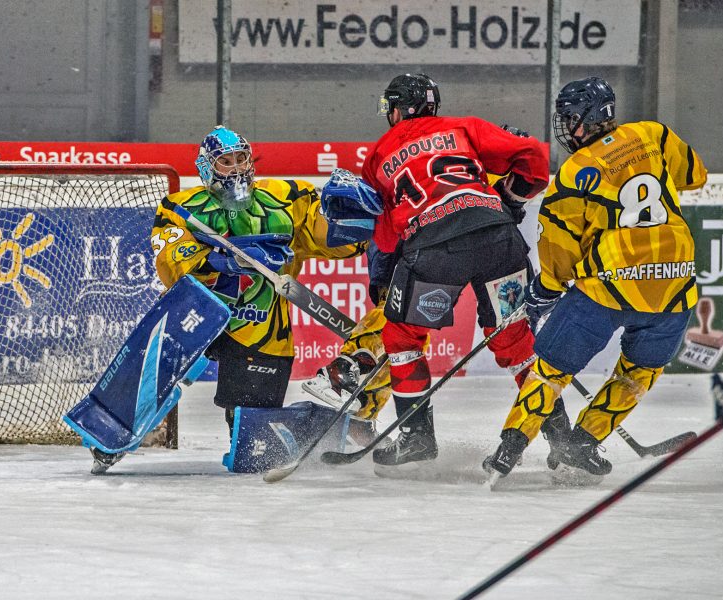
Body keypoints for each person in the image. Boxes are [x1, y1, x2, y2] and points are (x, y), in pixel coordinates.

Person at [484, 76, 708, 480]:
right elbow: (695, 175)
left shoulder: (576, 171)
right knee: (638, 371)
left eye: (570, 119)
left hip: (609, 285)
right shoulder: (653, 134)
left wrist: (546, 289)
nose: (567, 128)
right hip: (675, 286)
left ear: (587, 119)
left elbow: (559, 245)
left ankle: (511, 447)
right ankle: (583, 442)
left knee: (551, 369)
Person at [354, 73, 552, 475]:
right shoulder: (463, 127)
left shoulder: (377, 155)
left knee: (402, 336)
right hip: (498, 239)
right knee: (516, 338)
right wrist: (507, 200)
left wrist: (384, 276)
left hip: (435, 247)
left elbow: (385, 232)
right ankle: (562, 436)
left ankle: (417, 437)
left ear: (398, 108)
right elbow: (534, 158)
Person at [149, 126, 371, 456]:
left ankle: (336, 427)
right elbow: (169, 257)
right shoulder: (179, 206)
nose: (237, 167)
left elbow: (328, 238)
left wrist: (347, 221)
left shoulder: (287, 198)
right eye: (227, 161)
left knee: (252, 443)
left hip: (260, 326)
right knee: (150, 371)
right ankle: (118, 424)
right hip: (197, 318)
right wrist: (222, 261)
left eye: (242, 158)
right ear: (208, 167)